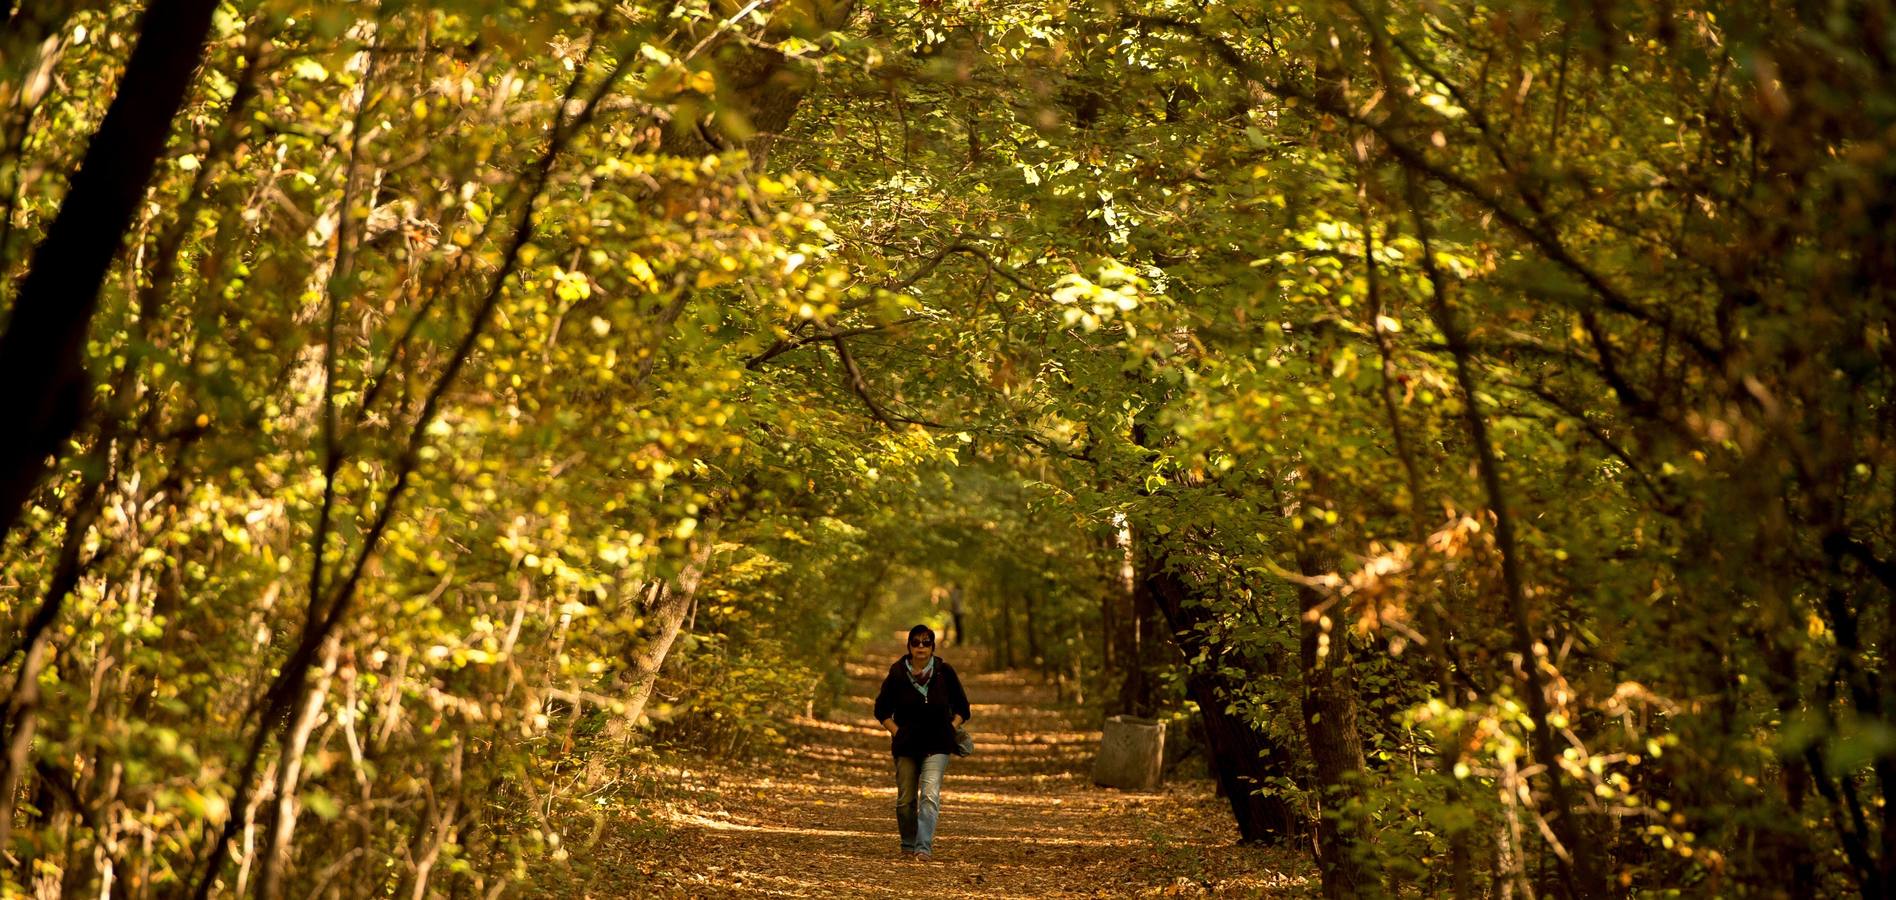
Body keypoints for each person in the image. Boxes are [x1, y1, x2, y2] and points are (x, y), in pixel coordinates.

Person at [872, 624, 971, 862]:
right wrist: (897, 732)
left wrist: (951, 727)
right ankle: (908, 843)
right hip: (906, 747)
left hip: (938, 744)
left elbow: (963, 708)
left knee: (929, 795)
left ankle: (923, 847)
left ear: (933, 647)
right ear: (909, 646)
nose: (920, 647)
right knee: (906, 800)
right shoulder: (897, 673)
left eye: (926, 642)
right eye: (916, 642)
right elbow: (881, 710)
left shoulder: (944, 672)